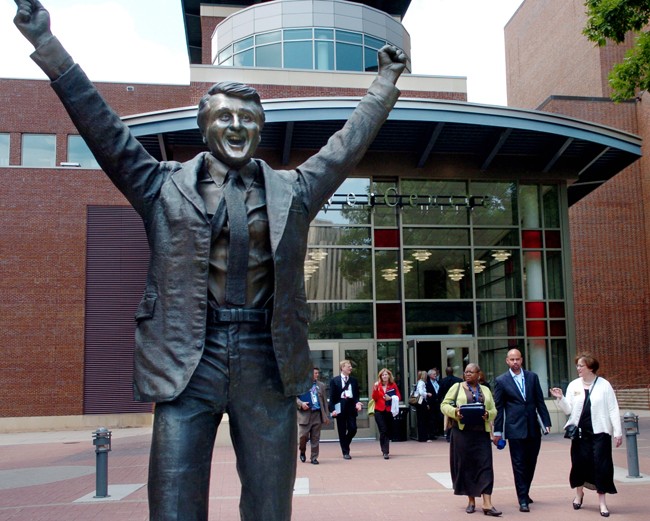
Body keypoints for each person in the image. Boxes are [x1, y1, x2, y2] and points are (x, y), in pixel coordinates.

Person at [11, 1, 406, 519]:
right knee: (174, 504)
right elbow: (102, 128)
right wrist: (47, 45)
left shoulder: (294, 190)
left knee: (270, 505)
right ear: (205, 128)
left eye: (248, 119)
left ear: (260, 131)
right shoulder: (159, 186)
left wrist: (383, 85)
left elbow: (344, 147)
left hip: (267, 359)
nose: (237, 127)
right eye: (225, 117)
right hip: (187, 357)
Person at [550, 353, 622, 517]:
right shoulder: (574, 385)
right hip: (580, 433)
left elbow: (613, 408)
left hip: (600, 433)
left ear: (590, 367)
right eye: (577, 365)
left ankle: (602, 503)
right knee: (579, 464)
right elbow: (569, 410)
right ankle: (579, 494)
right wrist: (560, 398)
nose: (578, 368)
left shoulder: (604, 385)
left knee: (601, 466)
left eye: (581, 366)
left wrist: (617, 432)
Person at [493, 348, 552, 513]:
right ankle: (523, 499)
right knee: (518, 464)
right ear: (507, 361)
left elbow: (540, 401)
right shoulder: (501, 381)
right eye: (512, 360)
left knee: (531, 462)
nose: (515, 362)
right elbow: (499, 407)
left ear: (522, 360)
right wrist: (497, 432)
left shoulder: (532, 377)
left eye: (517, 359)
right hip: (514, 428)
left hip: (533, 427)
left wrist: (546, 421)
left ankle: (525, 489)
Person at [441, 363, 501, 516]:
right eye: (466, 372)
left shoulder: (485, 389)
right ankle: (471, 500)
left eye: (471, 372)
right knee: (467, 466)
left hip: (481, 433)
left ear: (478, 374)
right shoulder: (457, 387)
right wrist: (455, 412)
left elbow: (494, 409)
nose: (467, 374)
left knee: (486, 466)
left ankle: (487, 504)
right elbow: (444, 405)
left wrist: (488, 414)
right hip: (462, 433)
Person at [330, 360, 364, 459]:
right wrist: (332, 410)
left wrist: (357, 402)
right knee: (342, 430)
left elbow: (356, 395)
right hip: (340, 407)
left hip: (351, 407)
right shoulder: (334, 380)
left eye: (350, 366)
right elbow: (332, 397)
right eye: (348, 366)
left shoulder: (353, 380)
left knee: (353, 429)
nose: (350, 368)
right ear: (342, 368)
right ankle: (345, 452)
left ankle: (345, 443)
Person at [296, 367, 330, 465]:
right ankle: (302, 451)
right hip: (305, 414)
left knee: (315, 437)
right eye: (315, 373)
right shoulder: (300, 384)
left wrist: (326, 416)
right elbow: (295, 398)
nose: (317, 375)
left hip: (317, 414)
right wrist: (301, 404)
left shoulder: (321, 385)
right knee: (303, 436)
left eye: (317, 373)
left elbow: (324, 401)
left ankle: (314, 457)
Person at [370, 368, 401, 459]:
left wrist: (391, 398)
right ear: (380, 376)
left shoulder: (393, 385)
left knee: (387, 430)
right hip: (379, 410)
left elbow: (398, 396)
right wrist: (375, 389)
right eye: (383, 375)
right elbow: (374, 398)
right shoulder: (377, 385)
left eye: (386, 374)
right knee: (383, 430)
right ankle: (385, 451)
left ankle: (384, 448)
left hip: (389, 410)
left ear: (389, 376)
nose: (384, 376)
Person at [439, 366, 462, 442]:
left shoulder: (442, 381)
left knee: (448, 419)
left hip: (448, 402)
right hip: (457, 402)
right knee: (457, 418)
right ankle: (456, 434)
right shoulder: (458, 380)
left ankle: (448, 436)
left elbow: (440, 393)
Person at [425, 367, 442, 439]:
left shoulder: (437, 382)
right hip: (431, 404)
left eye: (436, 374)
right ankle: (431, 434)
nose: (435, 375)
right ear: (430, 375)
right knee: (431, 419)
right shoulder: (427, 384)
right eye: (434, 374)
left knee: (438, 417)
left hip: (438, 403)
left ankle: (437, 431)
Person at [415, 370, 430, 442]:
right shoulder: (422, 383)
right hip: (421, 402)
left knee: (421, 420)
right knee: (423, 420)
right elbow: (421, 392)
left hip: (420, 402)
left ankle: (422, 437)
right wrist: (427, 394)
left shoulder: (419, 382)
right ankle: (423, 437)